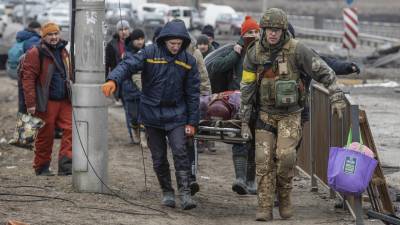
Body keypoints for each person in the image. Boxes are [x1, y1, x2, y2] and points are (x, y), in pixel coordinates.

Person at [240, 8, 346, 221]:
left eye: (277, 30)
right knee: (262, 161)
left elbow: (324, 71)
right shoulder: (254, 53)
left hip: (291, 115)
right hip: (264, 115)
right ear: (263, 30)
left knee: (286, 157)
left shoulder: (298, 50)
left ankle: (285, 197)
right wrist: (244, 121)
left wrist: (336, 95)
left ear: (283, 30)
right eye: (269, 29)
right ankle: (264, 205)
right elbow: (247, 87)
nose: (272, 34)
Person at [101, 20, 200, 210]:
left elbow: (193, 94)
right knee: (159, 157)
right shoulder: (149, 53)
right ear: (164, 41)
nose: (175, 47)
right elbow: (128, 64)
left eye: (179, 44)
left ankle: (185, 194)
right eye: (172, 43)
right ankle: (167, 192)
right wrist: (113, 79)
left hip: (177, 114)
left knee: (180, 151)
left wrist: (192, 121)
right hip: (152, 114)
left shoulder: (188, 62)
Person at [206, 16, 260, 196]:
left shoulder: (264, 51)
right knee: (240, 138)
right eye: (249, 32)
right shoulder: (235, 50)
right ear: (243, 34)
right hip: (238, 102)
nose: (253, 35)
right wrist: (234, 54)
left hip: (260, 103)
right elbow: (215, 68)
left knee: (255, 143)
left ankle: (252, 180)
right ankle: (240, 179)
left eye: (256, 32)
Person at [21, 22, 73, 176]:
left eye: (56, 33)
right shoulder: (35, 52)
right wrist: (30, 103)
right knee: (45, 134)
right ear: (43, 36)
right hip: (46, 101)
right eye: (50, 34)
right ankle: (41, 167)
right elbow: (28, 79)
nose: (54, 37)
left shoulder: (65, 50)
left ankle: (66, 166)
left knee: (71, 130)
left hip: (64, 100)